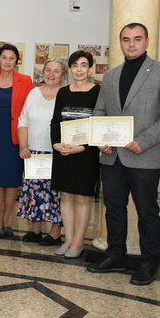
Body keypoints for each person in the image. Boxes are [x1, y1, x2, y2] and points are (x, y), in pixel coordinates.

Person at [87, 23, 160, 286]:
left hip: (145, 154)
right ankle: (115, 254)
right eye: (126, 39)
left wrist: (144, 140)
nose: (131, 44)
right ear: (120, 43)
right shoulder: (111, 76)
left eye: (137, 39)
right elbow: (99, 111)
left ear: (147, 41)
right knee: (113, 208)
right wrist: (101, 139)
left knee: (147, 211)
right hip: (111, 156)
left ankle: (149, 262)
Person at [50, 51, 100, 258]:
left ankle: (78, 242)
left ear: (90, 69)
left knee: (82, 199)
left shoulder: (98, 92)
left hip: (85, 154)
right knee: (66, 196)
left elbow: (99, 123)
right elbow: (55, 122)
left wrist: (84, 147)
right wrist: (56, 144)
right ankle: (68, 239)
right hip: (64, 152)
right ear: (70, 69)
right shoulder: (63, 92)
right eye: (75, 65)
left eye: (83, 65)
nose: (79, 69)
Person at [0, 44, 34, 238]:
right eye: (4, 58)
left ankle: (7, 220)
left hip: (16, 136)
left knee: (13, 181)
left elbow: (30, 110)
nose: (7, 61)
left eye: (11, 58)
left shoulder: (26, 81)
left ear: (16, 61)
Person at [17, 59, 64, 246]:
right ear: (42, 72)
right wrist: (23, 146)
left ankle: (55, 233)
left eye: (56, 71)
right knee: (34, 193)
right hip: (33, 153)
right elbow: (23, 121)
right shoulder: (33, 93)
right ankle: (35, 230)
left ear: (63, 75)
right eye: (48, 70)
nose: (51, 74)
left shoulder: (66, 94)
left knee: (55, 195)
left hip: (57, 154)